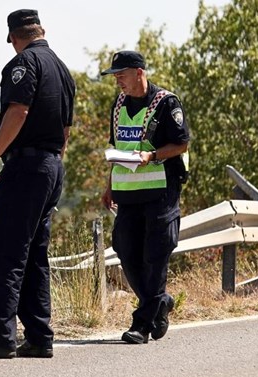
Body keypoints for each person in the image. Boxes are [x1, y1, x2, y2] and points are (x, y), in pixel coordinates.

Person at [0, 9, 75, 359]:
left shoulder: (24, 63)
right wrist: (52, 166)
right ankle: (39, 336)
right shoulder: (62, 68)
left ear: (13, 38)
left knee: (6, 253)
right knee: (35, 254)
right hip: (52, 164)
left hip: (27, 166)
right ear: (42, 31)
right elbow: (66, 130)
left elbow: (18, 111)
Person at [99, 50, 190, 344]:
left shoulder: (166, 103)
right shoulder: (119, 105)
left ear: (139, 72)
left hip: (161, 190)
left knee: (156, 253)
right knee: (125, 249)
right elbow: (117, 146)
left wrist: (151, 156)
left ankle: (142, 323)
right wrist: (109, 183)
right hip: (127, 192)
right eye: (115, 77)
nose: (118, 82)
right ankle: (161, 301)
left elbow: (181, 144)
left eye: (121, 75)